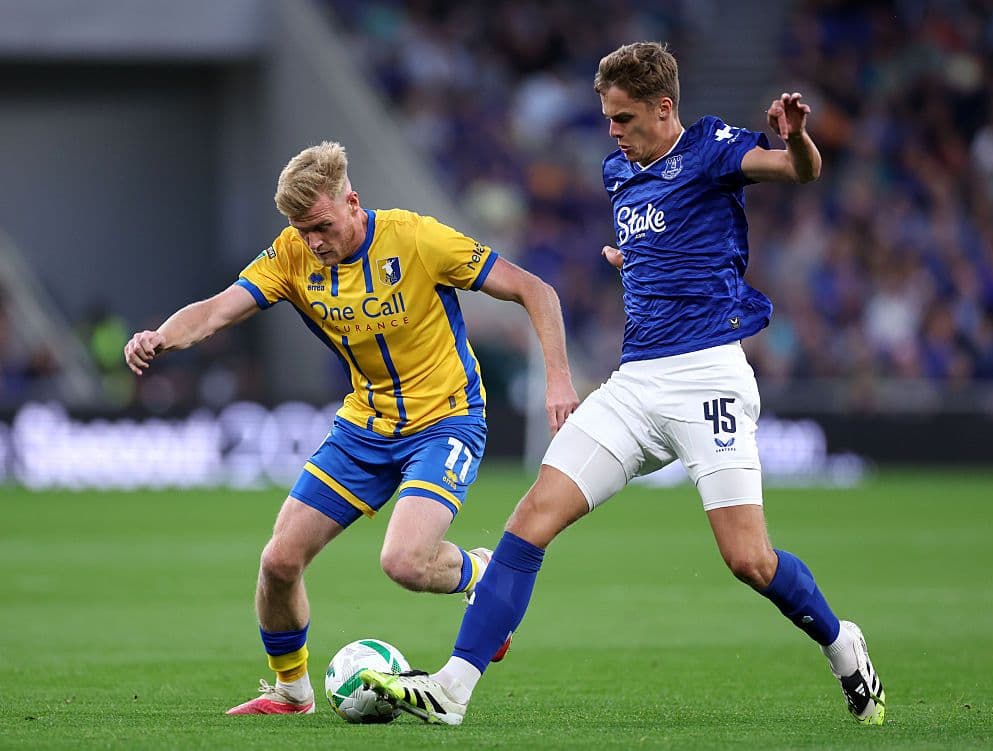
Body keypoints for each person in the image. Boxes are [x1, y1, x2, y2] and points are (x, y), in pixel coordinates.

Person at [361, 41, 886, 726]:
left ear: (664, 109)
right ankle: (454, 687)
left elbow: (798, 171)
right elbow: (663, 245)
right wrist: (633, 260)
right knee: (527, 524)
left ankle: (843, 642)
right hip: (636, 382)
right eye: (608, 117)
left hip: (708, 379)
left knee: (749, 559)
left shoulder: (712, 148)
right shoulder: (620, 171)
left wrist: (801, 139)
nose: (613, 132)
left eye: (625, 117)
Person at [123, 141, 578, 715]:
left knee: (405, 562)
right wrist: (161, 335)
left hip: (446, 421)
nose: (313, 241)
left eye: (320, 225)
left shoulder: (417, 239)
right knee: (278, 561)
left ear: (352, 203)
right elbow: (216, 311)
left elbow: (535, 290)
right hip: (364, 427)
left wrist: (558, 378)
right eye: (301, 229)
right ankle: (291, 691)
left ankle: (479, 573)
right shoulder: (291, 255)